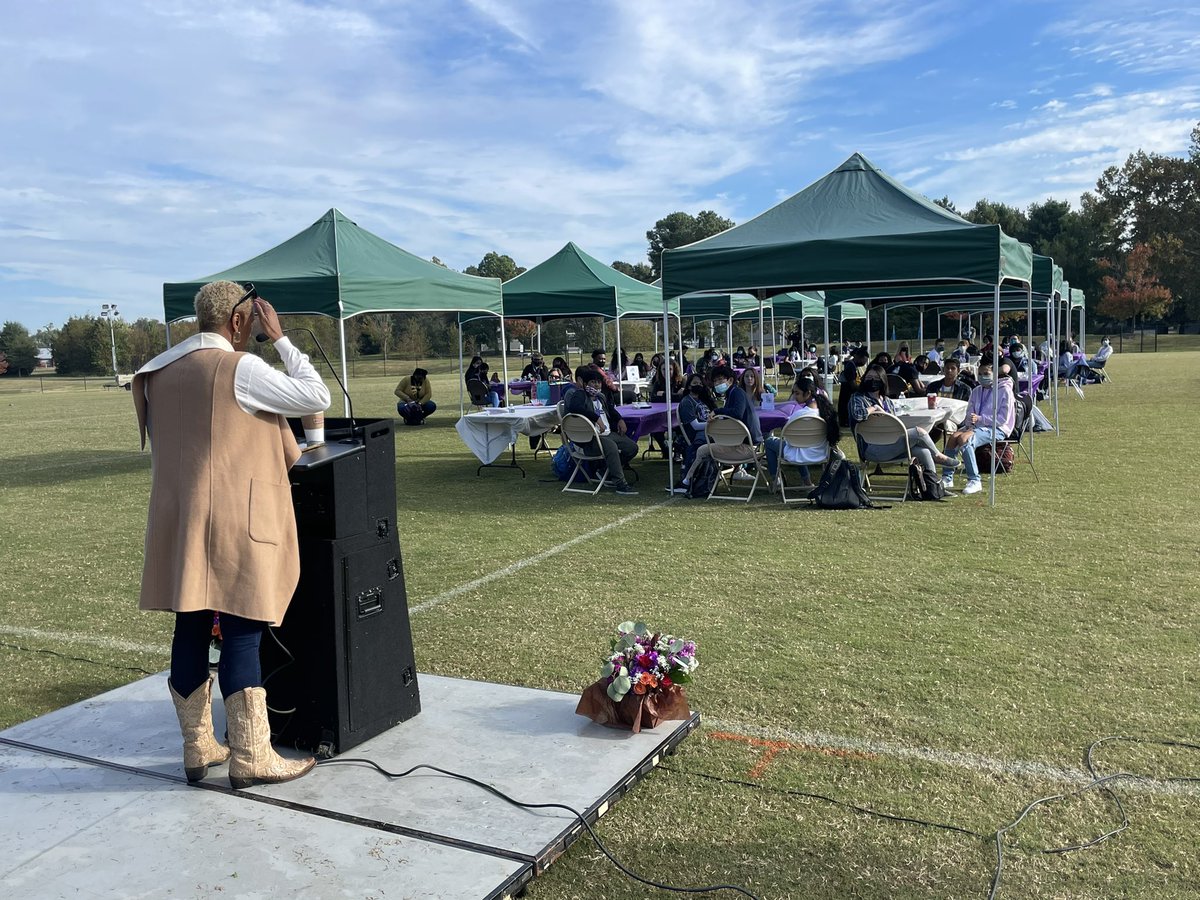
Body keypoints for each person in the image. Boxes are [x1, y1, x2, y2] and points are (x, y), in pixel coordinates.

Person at [132, 281, 330, 789]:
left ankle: (198, 746)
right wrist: (282, 339)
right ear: (239, 321)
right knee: (243, 628)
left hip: (181, 516)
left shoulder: (159, 370)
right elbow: (315, 395)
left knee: (191, 625)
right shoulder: (240, 367)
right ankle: (252, 755)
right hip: (235, 518)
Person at [848, 371, 959, 482]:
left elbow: (895, 426)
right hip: (871, 450)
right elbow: (857, 416)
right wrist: (874, 408)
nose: (872, 381)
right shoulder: (857, 398)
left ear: (882, 380)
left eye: (875, 378)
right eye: (869, 377)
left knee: (923, 451)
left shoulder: (887, 401)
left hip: (892, 445)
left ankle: (934, 486)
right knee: (919, 432)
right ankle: (938, 456)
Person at [678, 365, 762, 491]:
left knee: (701, 449)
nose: (717, 383)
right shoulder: (732, 394)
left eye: (721, 379)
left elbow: (737, 413)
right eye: (715, 381)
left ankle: (688, 482)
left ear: (730, 380)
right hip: (740, 444)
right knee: (704, 446)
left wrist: (717, 411)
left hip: (746, 447)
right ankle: (689, 481)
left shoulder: (737, 393)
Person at [941, 361, 1015, 494]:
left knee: (965, 439)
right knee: (953, 438)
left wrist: (980, 420)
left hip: (997, 428)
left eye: (986, 374)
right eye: (980, 374)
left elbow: (1002, 419)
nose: (982, 377)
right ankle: (947, 477)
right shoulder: (976, 390)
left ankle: (974, 480)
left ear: (995, 374)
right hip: (975, 427)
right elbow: (970, 412)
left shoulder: (1004, 391)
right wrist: (971, 423)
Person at [563, 365, 638, 495]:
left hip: (607, 434)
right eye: (593, 382)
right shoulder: (579, 395)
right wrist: (596, 418)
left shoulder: (601, 397)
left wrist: (620, 420)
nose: (596, 385)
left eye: (598, 382)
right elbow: (575, 408)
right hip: (590, 439)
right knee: (611, 447)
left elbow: (611, 410)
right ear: (585, 383)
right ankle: (620, 484)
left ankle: (604, 470)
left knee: (632, 447)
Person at [764, 377, 842, 489]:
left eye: (797, 393)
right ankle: (807, 481)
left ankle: (776, 480)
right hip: (821, 452)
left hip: (800, 452)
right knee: (799, 444)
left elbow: (786, 434)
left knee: (769, 442)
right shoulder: (826, 412)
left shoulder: (799, 415)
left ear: (808, 393)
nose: (795, 396)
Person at [676, 372, 716, 480]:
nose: (698, 385)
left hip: (710, 432)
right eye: (695, 383)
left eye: (700, 383)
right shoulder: (687, 402)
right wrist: (715, 426)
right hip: (696, 436)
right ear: (689, 386)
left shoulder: (704, 400)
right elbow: (695, 426)